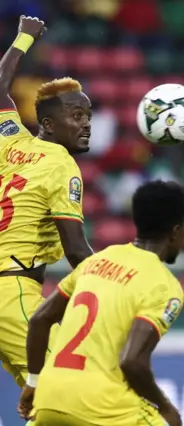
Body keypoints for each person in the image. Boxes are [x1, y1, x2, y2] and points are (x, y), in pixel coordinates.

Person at [17, 180, 184, 426]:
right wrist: (165, 406)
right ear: (175, 231)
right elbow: (132, 362)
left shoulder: (97, 261)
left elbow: (40, 319)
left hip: (49, 400)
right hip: (103, 406)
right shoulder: (164, 285)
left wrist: (33, 383)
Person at [0, 15, 93, 391]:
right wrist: (121, 278)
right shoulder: (61, 166)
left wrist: (23, 38)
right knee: (67, 392)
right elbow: (76, 250)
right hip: (12, 292)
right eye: (76, 116)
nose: (87, 124)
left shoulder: (10, 142)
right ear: (49, 125)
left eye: (88, 116)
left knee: (39, 399)